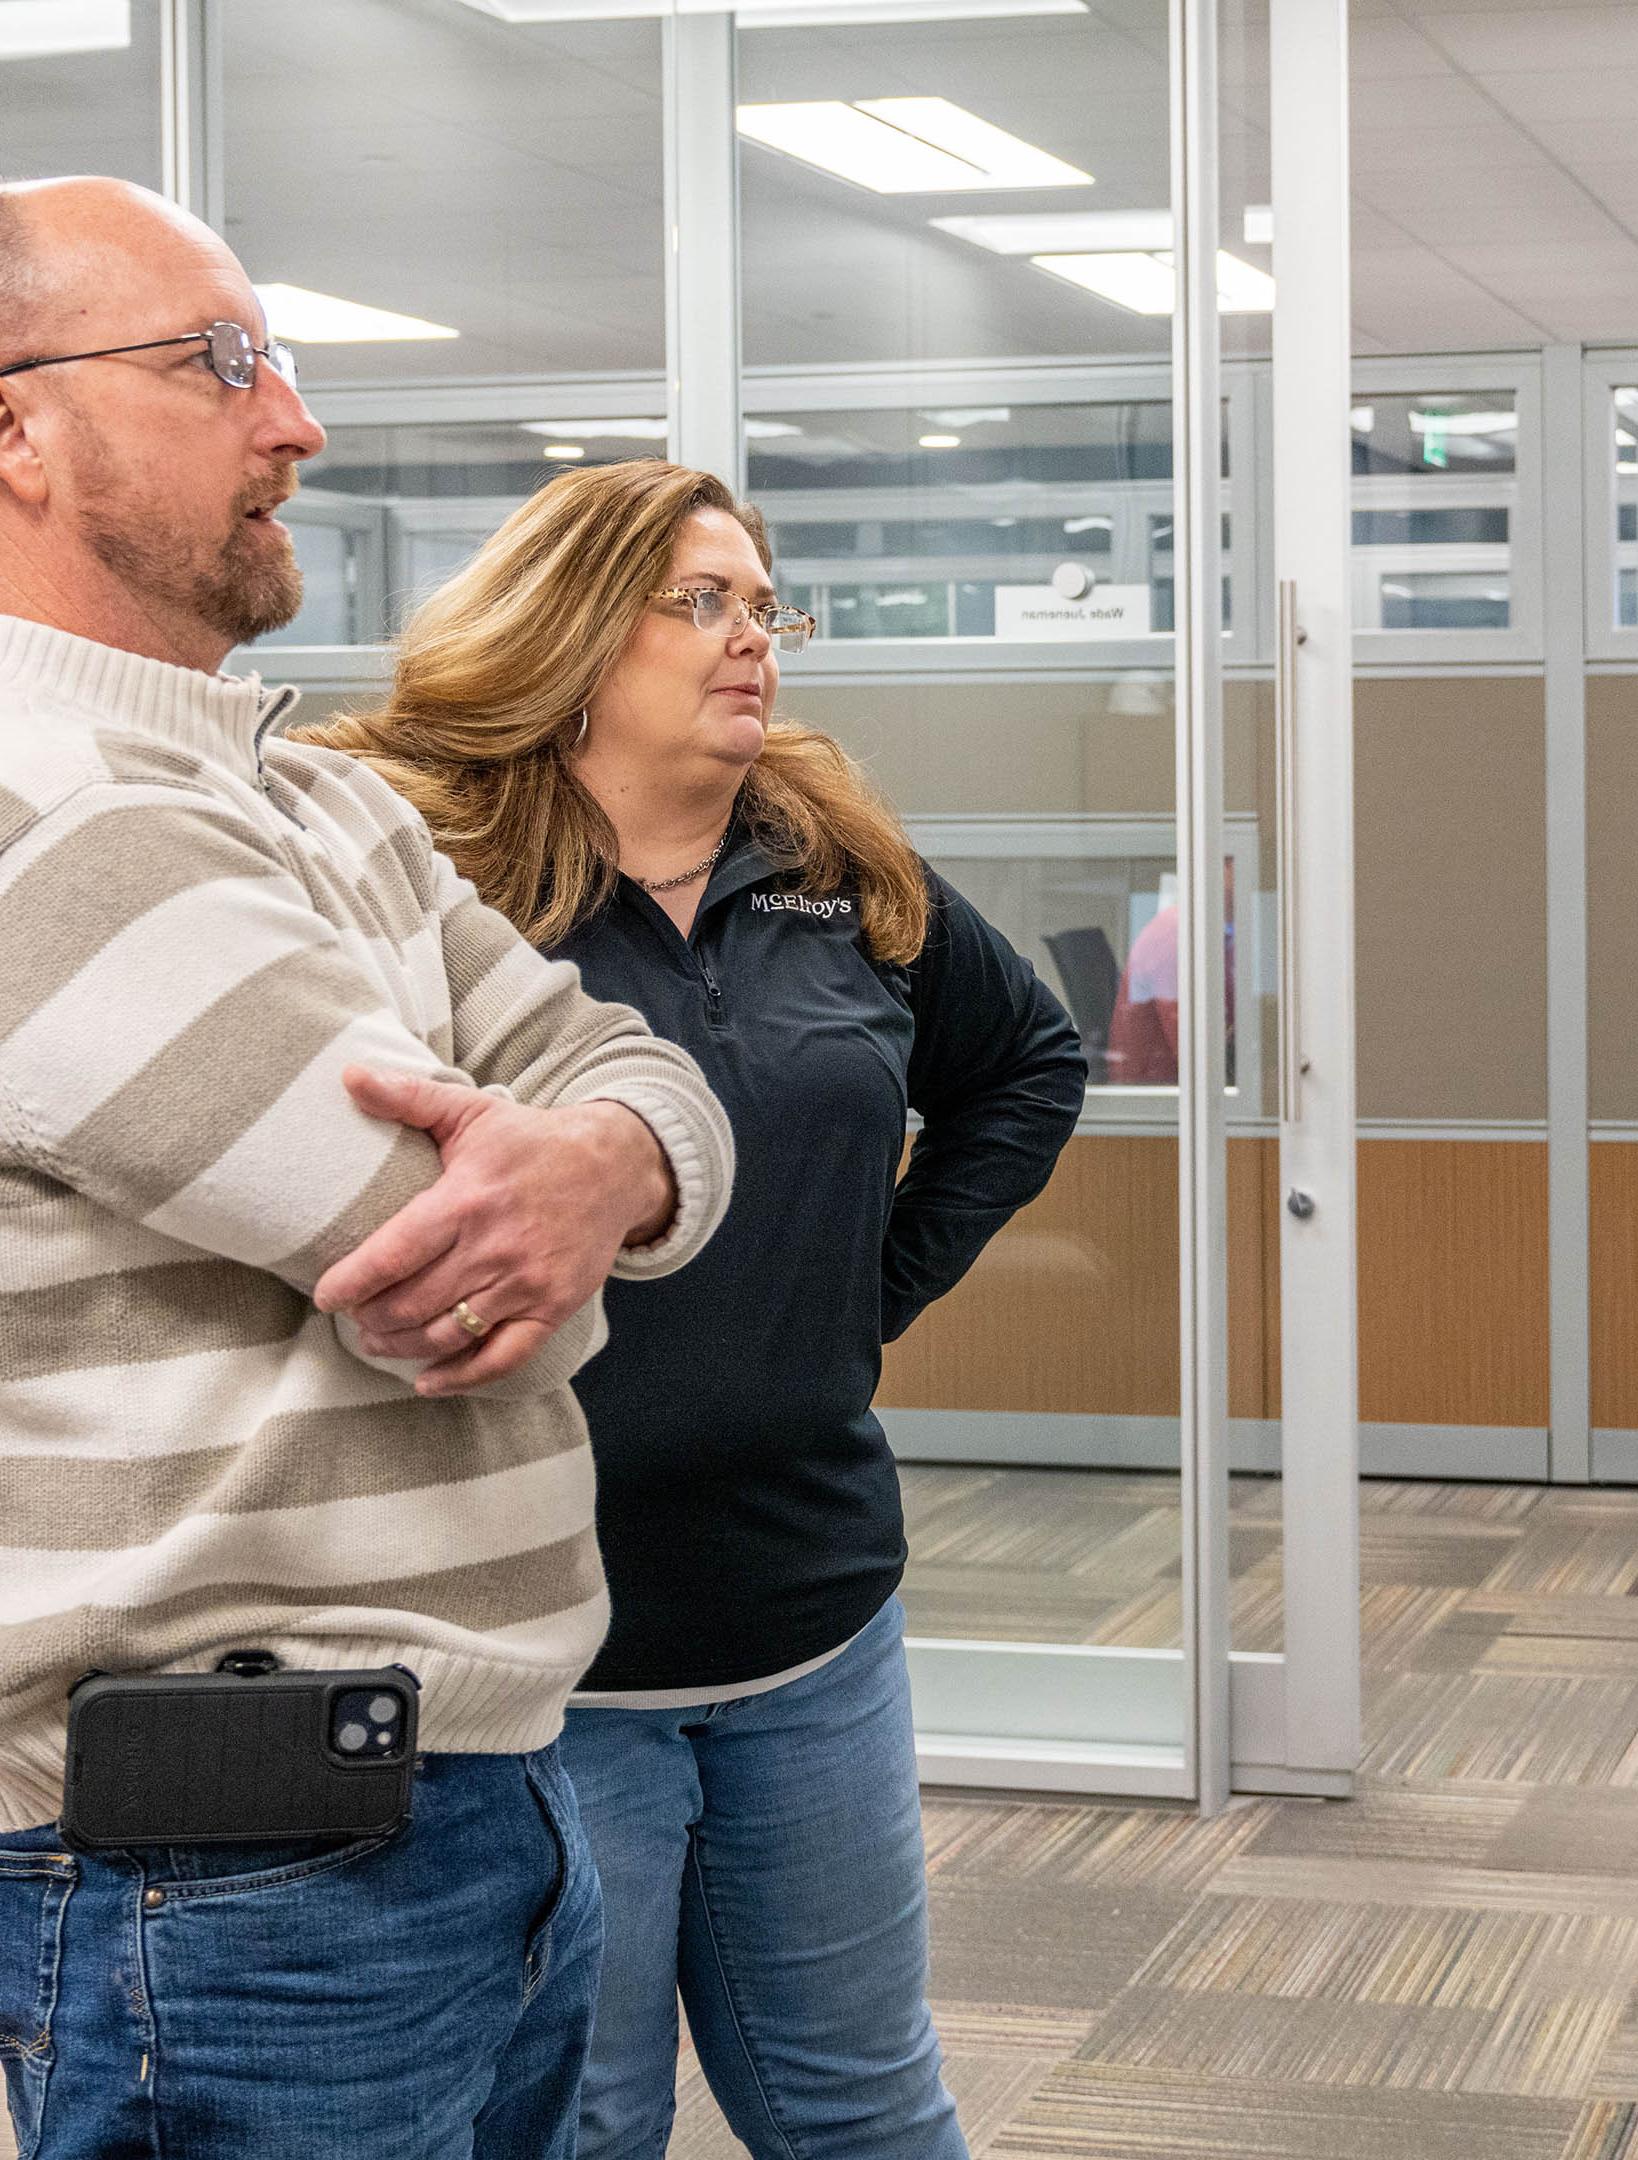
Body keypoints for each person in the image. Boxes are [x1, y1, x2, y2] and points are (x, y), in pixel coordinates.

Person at [0, 179, 738, 2158]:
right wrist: (591, 1197)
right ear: (6, 425)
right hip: (231, 1880)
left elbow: (634, 1075)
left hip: (464, 1791)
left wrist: (601, 1159)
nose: (295, 422)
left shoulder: (301, 794)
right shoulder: (27, 828)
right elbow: (464, 1283)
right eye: (222, 362)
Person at [306, 459, 1084, 2160]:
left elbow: (1024, 1063)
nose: (758, 643)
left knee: (865, 2105)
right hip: (543, 1656)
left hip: (811, 1614)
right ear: (578, 632)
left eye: (767, 606)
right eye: (706, 604)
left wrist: (859, 1296)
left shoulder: (831, 862)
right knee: (584, 2121)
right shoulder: (430, 884)